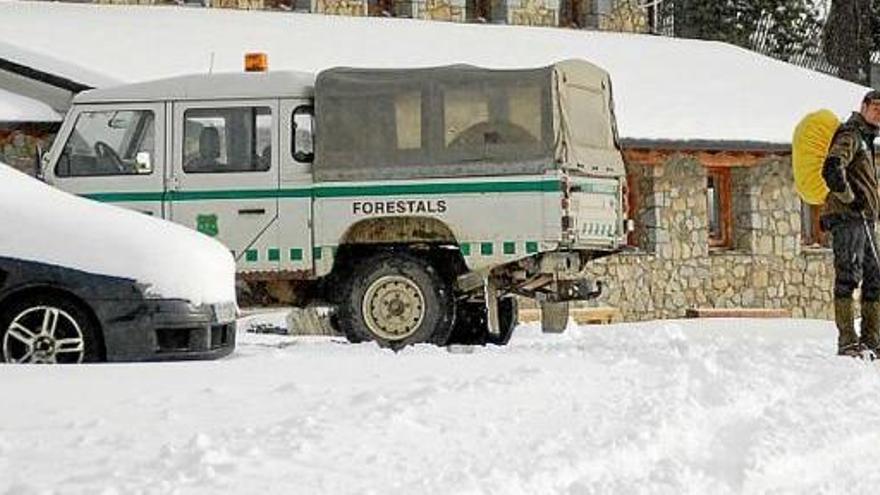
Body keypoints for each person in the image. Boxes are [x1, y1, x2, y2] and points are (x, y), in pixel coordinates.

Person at [822, 90, 880, 357]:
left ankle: (872, 339)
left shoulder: (867, 140)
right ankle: (847, 341)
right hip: (848, 219)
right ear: (864, 106)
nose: (879, 112)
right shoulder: (851, 134)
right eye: (876, 106)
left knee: (875, 277)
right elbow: (833, 167)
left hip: (866, 219)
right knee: (848, 276)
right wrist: (850, 198)